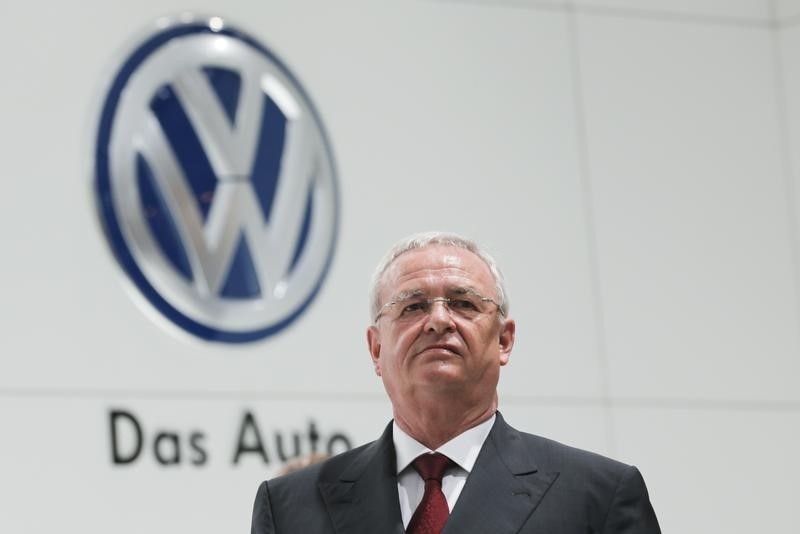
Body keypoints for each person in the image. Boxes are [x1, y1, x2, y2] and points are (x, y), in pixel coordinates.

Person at [251, 232, 661, 533]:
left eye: (464, 304)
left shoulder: (598, 496)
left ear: (504, 339)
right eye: (412, 306)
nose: (439, 320)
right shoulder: (290, 507)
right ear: (376, 349)